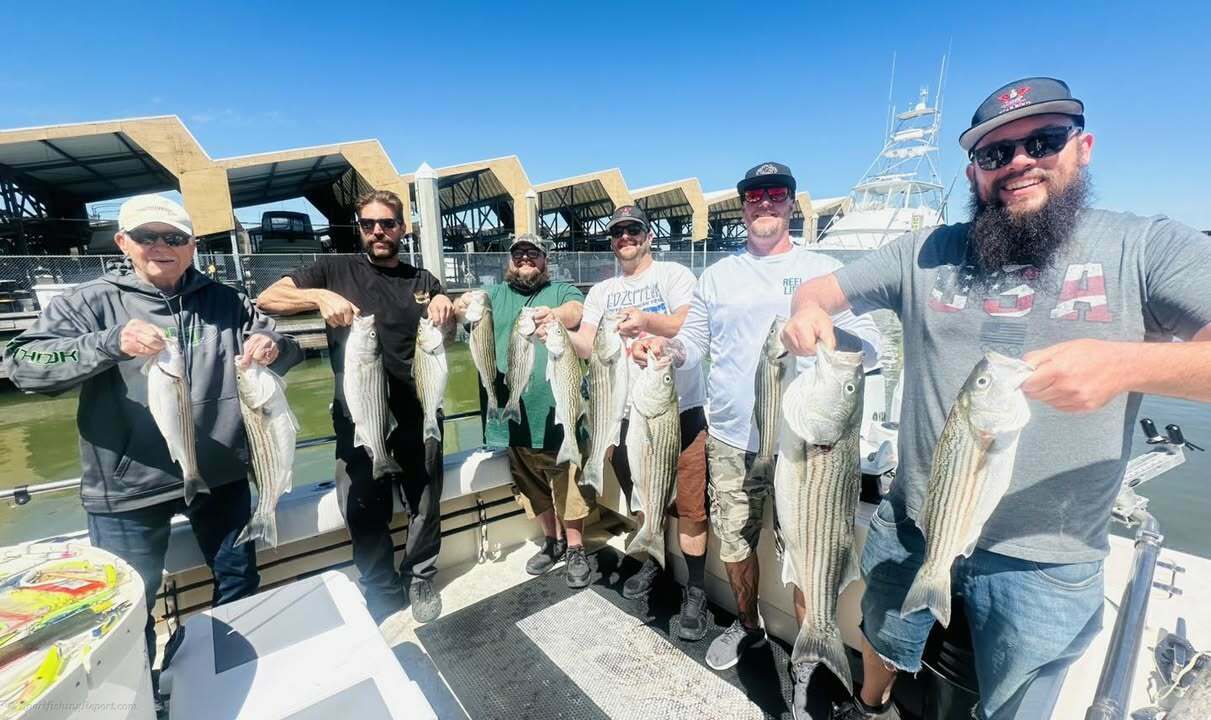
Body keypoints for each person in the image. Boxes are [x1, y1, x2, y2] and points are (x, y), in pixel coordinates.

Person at [781, 77, 1211, 720]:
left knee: (1014, 702)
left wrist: (1126, 363)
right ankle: (871, 706)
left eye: (1043, 140)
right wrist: (807, 314)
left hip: (1047, 554)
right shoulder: (924, 252)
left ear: (1083, 146)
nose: (1018, 163)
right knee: (882, 633)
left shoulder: (1145, 246)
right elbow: (816, 290)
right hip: (913, 522)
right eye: (995, 154)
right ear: (974, 171)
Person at [3, 194, 302, 704]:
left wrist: (275, 346)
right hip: (126, 489)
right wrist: (108, 343)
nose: (161, 247)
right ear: (124, 242)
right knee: (128, 606)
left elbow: (281, 343)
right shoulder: (88, 302)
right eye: (147, 236)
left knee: (238, 579)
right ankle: (143, 699)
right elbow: (23, 362)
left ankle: (226, 680)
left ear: (191, 246)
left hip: (222, 476)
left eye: (175, 238)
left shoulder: (224, 299)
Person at [633, 162, 881, 717]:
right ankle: (749, 628)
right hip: (730, 438)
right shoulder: (719, 276)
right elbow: (694, 342)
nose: (764, 203)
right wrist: (665, 351)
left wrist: (827, 330)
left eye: (775, 194)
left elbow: (871, 347)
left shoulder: (823, 270)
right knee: (738, 544)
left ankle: (809, 655)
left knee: (804, 548)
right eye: (753, 196)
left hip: (805, 447)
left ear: (792, 203)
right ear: (741, 207)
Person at [256, 190, 453, 624]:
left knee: (425, 501)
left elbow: (444, 341)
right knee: (363, 506)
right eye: (369, 225)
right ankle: (381, 590)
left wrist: (446, 308)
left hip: (419, 416)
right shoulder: (333, 269)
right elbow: (267, 298)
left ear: (403, 229)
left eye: (387, 224)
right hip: (358, 415)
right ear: (359, 229)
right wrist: (318, 298)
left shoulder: (423, 281)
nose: (378, 232)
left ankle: (420, 575)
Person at [566, 204, 712, 640]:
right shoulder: (602, 292)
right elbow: (588, 346)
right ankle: (653, 561)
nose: (625, 237)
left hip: (678, 413)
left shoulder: (674, 276)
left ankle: (697, 590)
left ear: (649, 236)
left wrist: (649, 324)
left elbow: (690, 324)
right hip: (626, 417)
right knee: (644, 497)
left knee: (690, 508)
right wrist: (554, 334)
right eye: (618, 232)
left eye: (633, 230)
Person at [456, 234, 590, 587]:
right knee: (530, 485)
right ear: (509, 261)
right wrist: (462, 303)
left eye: (533, 254)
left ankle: (576, 547)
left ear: (545, 261)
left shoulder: (560, 291)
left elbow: (576, 312)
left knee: (568, 482)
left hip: (558, 413)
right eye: (519, 254)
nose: (525, 259)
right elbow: (465, 306)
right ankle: (553, 541)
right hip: (512, 419)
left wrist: (554, 315)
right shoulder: (495, 295)